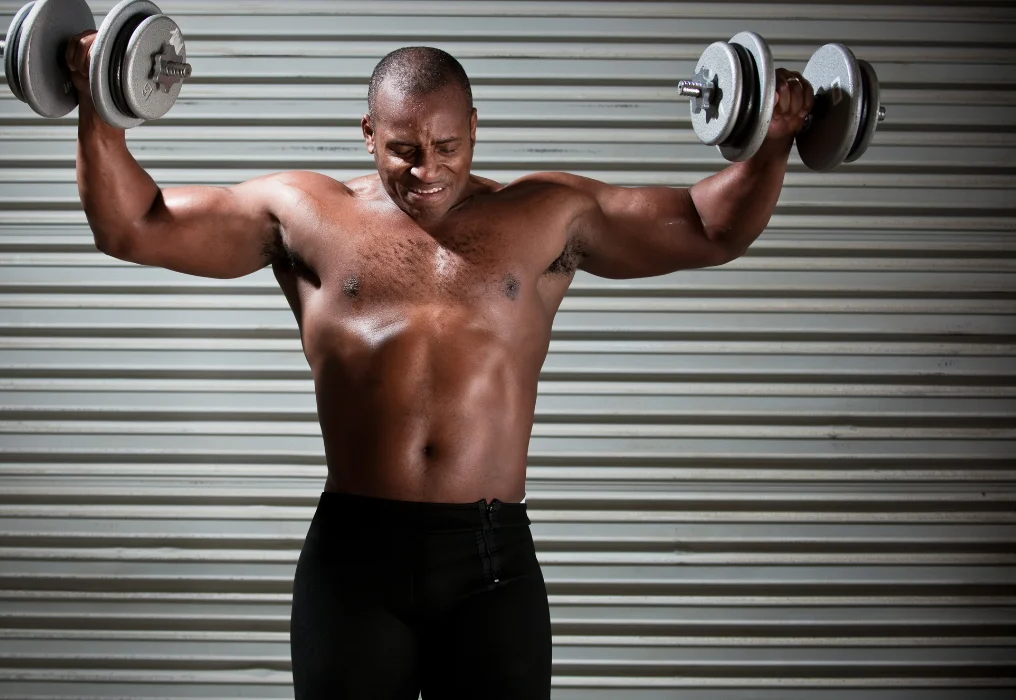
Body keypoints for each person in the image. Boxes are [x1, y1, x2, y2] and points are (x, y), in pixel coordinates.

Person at [65, 36, 813, 700]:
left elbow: (712, 227)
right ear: (367, 135)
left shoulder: (549, 214)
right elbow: (134, 225)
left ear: (476, 130)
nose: (428, 170)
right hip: (355, 561)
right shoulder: (302, 212)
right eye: (404, 150)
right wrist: (98, 100)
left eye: (449, 146)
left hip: (490, 564)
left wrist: (773, 137)